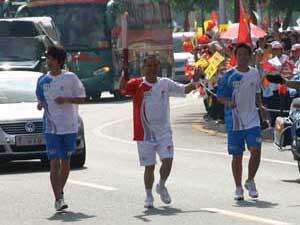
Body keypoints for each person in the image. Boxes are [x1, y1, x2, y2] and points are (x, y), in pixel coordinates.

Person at [119, 55, 200, 208]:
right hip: (144, 134)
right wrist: (124, 73)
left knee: (168, 161)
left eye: (154, 65)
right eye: (149, 65)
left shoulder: (164, 83)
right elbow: (123, 88)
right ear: (144, 68)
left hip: (163, 133)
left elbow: (185, 89)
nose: (152, 68)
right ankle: (149, 196)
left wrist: (195, 81)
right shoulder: (137, 84)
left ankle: (161, 185)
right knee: (149, 167)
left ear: (158, 67)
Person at [36, 45, 86, 211]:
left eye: (49, 58)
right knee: (54, 163)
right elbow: (41, 99)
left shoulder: (71, 78)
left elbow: (82, 98)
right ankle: (59, 198)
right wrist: (40, 104)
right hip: (51, 127)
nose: (47, 61)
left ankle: (60, 192)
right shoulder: (43, 80)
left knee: (66, 163)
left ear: (57, 61)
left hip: (69, 126)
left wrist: (66, 99)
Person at [217, 43, 268, 201]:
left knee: (256, 150)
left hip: (252, 119)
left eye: (246, 54)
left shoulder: (254, 73)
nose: (243, 57)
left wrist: (260, 106)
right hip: (235, 121)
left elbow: (257, 92)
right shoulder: (229, 75)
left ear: (250, 56)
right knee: (237, 156)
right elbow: (220, 96)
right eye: (240, 55)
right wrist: (228, 102)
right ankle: (238, 187)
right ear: (235, 56)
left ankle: (250, 180)